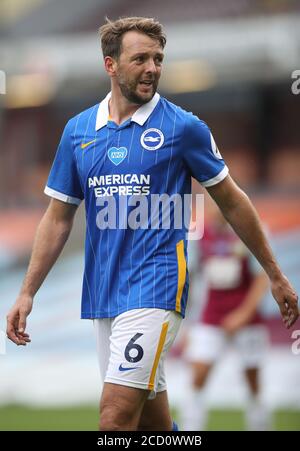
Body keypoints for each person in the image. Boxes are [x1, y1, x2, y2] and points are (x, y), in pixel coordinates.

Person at [6, 17, 298, 431]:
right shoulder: (78, 132)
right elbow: (57, 218)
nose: (152, 68)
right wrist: (27, 291)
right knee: (151, 425)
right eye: (140, 58)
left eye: (158, 58)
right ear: (110, 65)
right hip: (103, 292)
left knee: (114, 418)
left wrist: (274, 273)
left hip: (157, 286)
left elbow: (232, 200)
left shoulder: (183, 128)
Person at [182, 204, 270, 431]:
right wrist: (187, 325)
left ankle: (260, 425)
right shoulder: (199, 236)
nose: (215, 207)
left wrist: (243, 314)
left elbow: (263, 278)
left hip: (246, 318)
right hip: (212, 315)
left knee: (253, 378)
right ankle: (189, 430)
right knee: (198, 374)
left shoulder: (250, 230)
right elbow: (193, 278)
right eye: (211, 202)